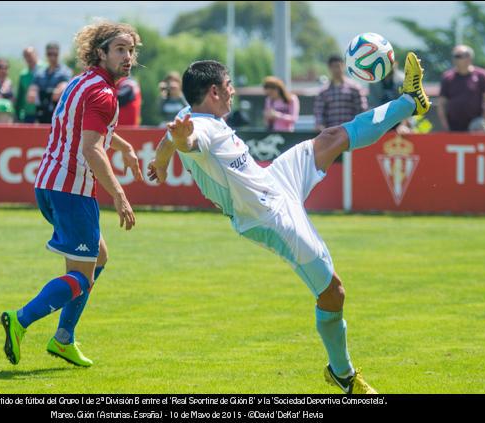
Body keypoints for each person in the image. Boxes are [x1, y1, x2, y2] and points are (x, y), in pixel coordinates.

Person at [147, 53, 431, 394]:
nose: (234, 91)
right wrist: (179, 144)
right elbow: (187, 142)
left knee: (332, 137)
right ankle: (343, 373)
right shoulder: (200, 128)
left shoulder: (188, 116)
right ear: (214, 92)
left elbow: (170, 140)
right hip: (268, 217)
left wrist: (161, 163)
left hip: (275, 181)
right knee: (333, 292)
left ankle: (408, 102)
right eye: (229, 85)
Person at [1, 21, 144, 367]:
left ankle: (64, 339)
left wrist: (122, 145)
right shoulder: (104, 94)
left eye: (131, 50)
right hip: (72, 191)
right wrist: (120, 195)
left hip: (48, 184)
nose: (128, 57)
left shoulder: (81, 82)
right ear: (101, 53)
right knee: (82, 275)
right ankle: (20, 319)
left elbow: (82, 126)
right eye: (120, 50)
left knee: (98, 259)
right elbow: (92, 149)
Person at [437, 45, 485, 132]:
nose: (455, 59)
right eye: (454, 56)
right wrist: (445, 126)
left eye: (458, 56)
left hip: (476, 124)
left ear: (469, 58)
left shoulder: (482, 75)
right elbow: (441, 104)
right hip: (454, 125)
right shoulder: (447, 77)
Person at [313, 55, 368, 132]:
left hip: (351, 132)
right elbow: (319, 113)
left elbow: (362, 110)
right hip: (331, 134)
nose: (336, 69)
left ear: (343, 66)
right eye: (333, 67)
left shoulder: (355, 88)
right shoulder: (323, 92)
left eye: (338, 66)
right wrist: (320, 126)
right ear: (329, 68)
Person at [29, 42, 73, 124]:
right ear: (46, 54)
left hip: (59, 112)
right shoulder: (40, 72)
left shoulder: (65, 71)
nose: (52, 57)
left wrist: (60, 89)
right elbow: (32, 91)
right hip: (41, 111)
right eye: (50, 54)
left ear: (58, 54)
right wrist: (33, 92)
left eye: (55, 54)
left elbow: (64, 86)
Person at [368, 61, 411, 134]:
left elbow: (407, 105)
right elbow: (373, 104)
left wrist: (404, 125)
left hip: (400, 122)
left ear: (395, 63)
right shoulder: (374, 81)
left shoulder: (403, 80)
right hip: (380, 121)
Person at [14, 46, 42, 123]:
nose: (29, 58)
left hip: (43, 112)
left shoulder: (45, 70)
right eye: (26, 56)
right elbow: (20, 97)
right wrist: (17, 114)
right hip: (28, 113)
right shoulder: (23, 75)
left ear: (36, 54)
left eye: (30, 55)